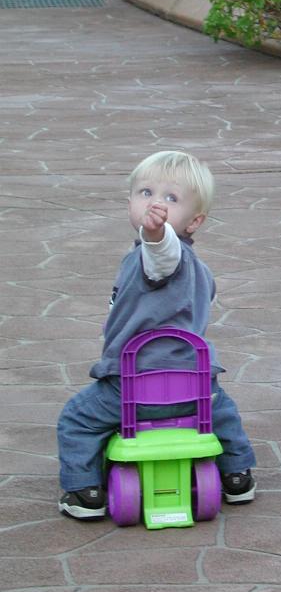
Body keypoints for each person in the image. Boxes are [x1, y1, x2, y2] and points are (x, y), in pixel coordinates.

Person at [57, 150, 257, 519]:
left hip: (133, 388)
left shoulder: (162, 255)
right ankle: (237, 474)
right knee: (224, 412)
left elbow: (161, 252)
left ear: (194, 221)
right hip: (196, 388)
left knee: (77, 419)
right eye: (145, 192)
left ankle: (84, 491)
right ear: (129, 201)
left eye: (171, 198)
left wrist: (155, 233)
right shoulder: (201, 270)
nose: (155, 204)